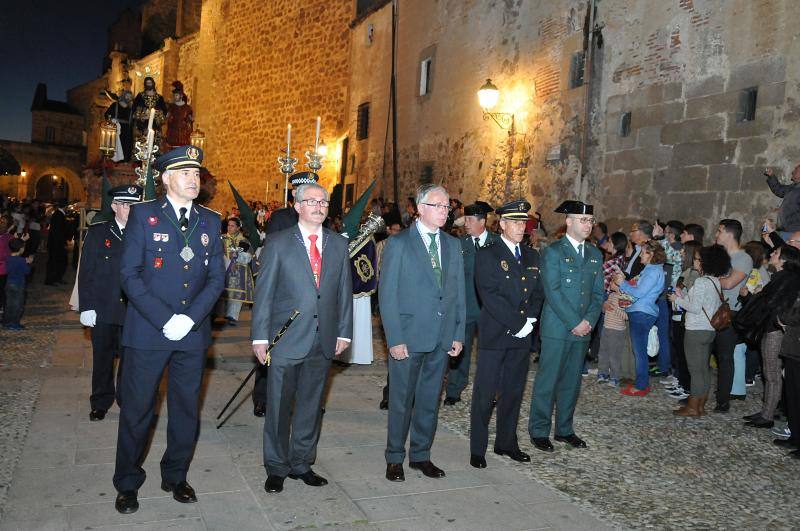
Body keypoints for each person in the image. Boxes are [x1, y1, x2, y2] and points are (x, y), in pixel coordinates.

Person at [112, 146, 225, 515]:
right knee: (138, 410)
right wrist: (165, 319)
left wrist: (190, 318)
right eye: (185, 174)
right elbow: (129, 275)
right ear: (165, 179)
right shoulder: (144, 216)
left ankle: (175, 475)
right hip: (147, 332)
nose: (194, 180)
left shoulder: (210, 220)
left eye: (197, 174)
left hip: (192, 334)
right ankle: (127, 482)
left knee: (185, 411)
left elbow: (215, 277)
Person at [250, 182, 353, 494]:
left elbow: (343, 292)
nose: (319, 206)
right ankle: (276, 466)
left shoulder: (337, 244)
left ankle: (302, 463)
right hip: (285, 339)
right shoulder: (279, 243)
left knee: (311, 405)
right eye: (311, 201)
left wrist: (344, 332)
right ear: (296, 206)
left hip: (323, 340)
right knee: (279, 407)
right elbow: (264, 293)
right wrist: (259, 337)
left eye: (323, 202)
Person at [379, 184, 465, 481]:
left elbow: (458, 293)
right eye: (438, 206)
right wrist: (395, 339)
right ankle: (394, 457)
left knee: (430, 400)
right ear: (420, 208)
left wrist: (458, 333)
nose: (445, 212)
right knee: (401, 401)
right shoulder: (400, 243)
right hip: (409, 336)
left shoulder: (453, 245)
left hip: (440, 337)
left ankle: (421, 455)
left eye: (446, 208)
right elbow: (387, 294)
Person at [469, 200, 544, 469]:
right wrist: (518, 323)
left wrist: (531, 320)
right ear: (502, 224)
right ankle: (477, 448)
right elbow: (489, 295)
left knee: (513, 391)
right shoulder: (488, 254)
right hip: (496, 334)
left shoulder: (533, 256)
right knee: (485, 393)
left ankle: (506, 442)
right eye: (515, 222)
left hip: (522, 335)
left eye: (524, 223)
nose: (521, 227)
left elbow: (537, 292)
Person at [528, 200, 603, 452]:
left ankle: (564, 429)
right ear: (569, 222)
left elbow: (597, 294)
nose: (588, 225)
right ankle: (539, 430)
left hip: (583, 329)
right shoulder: (553, 252)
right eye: (583, 220)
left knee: (571, 382)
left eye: (591, 221)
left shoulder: (594, 254)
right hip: (558, 328)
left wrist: (589, 321)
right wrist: (575, 322)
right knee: (548, 381)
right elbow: (553, 291)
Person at [252, 171, 320, 417]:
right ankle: (263, 398)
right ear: (294, 193)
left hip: (310, 296)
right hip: (284, 293)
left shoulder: (319, 217)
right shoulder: (281, 218)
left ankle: (307, 400)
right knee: (272, 352)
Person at [79, 185, 142, 421]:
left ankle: (126, 400)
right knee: (102, 358)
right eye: (125, 205)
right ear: (115, 207)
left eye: (134, 205)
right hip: (103, 308)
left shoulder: (144, 234)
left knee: (131, 360)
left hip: (133, 311)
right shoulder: (98, 233)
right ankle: (100, 401)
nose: (130, 210)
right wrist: (86, 306)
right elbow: (86, 272)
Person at [736, 246, 800, 428]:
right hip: (772, 327)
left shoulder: (786, 278)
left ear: (784, 260)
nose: (771, 254)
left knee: (772, 374)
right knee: (769, 372)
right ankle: (767, 411)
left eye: (776, 253)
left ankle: (768, 415)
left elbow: (771, 304)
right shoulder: (782, 277)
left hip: (775, 329)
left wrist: (753, 296)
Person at [444, 201, 500, 406]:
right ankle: (454, 389)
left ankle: (489, 392)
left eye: (469, 220)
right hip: (465, 306)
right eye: (465, 219)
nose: (465, 223)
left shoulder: (497, 243)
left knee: (489, 353)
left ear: (482, 221)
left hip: (489, 309)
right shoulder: (459, 244)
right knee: (460, 349)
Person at [669, 245, 730, 416]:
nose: (694, 261)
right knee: (703, 369)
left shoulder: (702, 282)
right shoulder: (715, 281)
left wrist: (676, 299)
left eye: (697, 259)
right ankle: (700, 404)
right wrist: (683, 296)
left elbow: (694, 308)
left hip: (696, 330)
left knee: (695, 370)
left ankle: (693, 407)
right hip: (709, 330)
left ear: (704, 263)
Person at [615, 240, 666, 396]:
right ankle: (641, 383)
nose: (640, 256)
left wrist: (622, 283)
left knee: (640, 352)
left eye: (643, 252)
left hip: (642, 312)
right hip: (642, 311)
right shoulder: (652, 269)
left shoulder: (652, 271)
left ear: (651, 255)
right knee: (639, 351)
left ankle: (641, 385)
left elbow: (638, 293)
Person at [713, 219, 753, 412]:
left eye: (719, 231)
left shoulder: (743, 258)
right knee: (709, 354)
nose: (716, 235)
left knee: (725, 356)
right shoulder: (720, 256)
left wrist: (710, 279)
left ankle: (723, 401)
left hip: (729, 313)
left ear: (729, 234)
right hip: (713, 309)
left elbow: (729, 283)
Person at [221, 217, 254, 325]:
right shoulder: (222, 239)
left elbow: (248, 258)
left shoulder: (243, 241)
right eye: (228, 225)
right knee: (221, 292)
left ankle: (232, 316)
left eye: (232, 226)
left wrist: (237, 256)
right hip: (223, 269)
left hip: (239, 271)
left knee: (236, 295)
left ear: (238, 227)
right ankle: (218, 314)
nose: (229, 228)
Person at [3, 238, 32, 330]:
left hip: (9, 283)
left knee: (9, 304)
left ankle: (7, 322)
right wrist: (28, 263)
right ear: (21, 249)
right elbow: (27, 271)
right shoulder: (21, 260)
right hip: (18, 284)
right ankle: (14, 324)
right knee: (17, 305)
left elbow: (7, 270)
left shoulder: (7, 258)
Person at [131, 76, 167, 145]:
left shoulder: (159, 97)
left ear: (153, 83)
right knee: (142, 144)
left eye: (150, 83)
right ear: (145, 84)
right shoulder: (140, 96)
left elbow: (164, 111)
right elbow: (134, 109)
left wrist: (156, 115)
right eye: (147, 83)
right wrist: (143, 116)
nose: (149, 84)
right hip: (142, 125)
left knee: (154, 143)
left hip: (155, 125)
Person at [766, 166, 800, 236]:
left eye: (796, 170)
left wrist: (791, 222)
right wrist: (771, 176)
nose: (793, 172)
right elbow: (779, 190)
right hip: (787, 229)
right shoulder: (793, 187)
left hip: (794, 231)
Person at [104, 90, 134, 162]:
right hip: (116, 129)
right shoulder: (115, 105)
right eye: (127, 96)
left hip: (127, 130)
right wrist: (112, 120)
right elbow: (107, 115)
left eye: (130, 97)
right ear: (123, 96)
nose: (128, 98)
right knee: (115, 146)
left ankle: (125, 162)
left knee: (126, 147)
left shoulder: (130, 108)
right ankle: (114, 161)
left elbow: (133, 120)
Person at [44, 199, 69, 286]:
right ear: (65, 206)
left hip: (57, 243)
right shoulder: (58, 215)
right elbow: (58, 232)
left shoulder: (59, 214)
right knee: (54, 262)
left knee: (60, 261)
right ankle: (51, 280)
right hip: (56, 244)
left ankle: (57, 278)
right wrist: (63, 244)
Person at [165, 81, 193, 149]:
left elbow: (189, 122)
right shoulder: (171, 107)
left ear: (181, 95)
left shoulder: (187, 108)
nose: (175, 97)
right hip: (172, 136)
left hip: (183, 137)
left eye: (176, 95)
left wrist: (189, 124)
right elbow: (167, 118)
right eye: (174, 95)